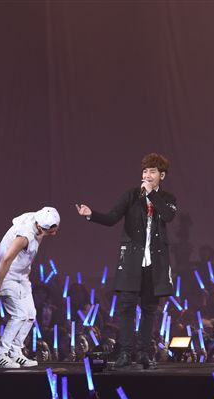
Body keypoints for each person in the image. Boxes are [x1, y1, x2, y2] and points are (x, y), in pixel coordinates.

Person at [76, 153, 177, 369]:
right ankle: (125, 352)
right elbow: (112, 218)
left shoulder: (167, 199)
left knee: (149, 310)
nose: (147, 175)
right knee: (126, 308)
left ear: (161, 175)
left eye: (152, 172)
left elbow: (168, 216)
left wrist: (151, 194)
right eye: (145, 171)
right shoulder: (131, 196)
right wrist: (91, 214)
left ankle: (144, 353)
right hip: (132, 262)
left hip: (155, 263)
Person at [0, 207, 60, 368]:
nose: (54, 234)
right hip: (5, 274)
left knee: (31, 314)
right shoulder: (24, 237)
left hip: (21, 275)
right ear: (40, 227)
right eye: (51, 231)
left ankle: (15, 351)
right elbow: (6, 259)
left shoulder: (37, 219)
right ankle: (0, 355)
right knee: (19, 315)